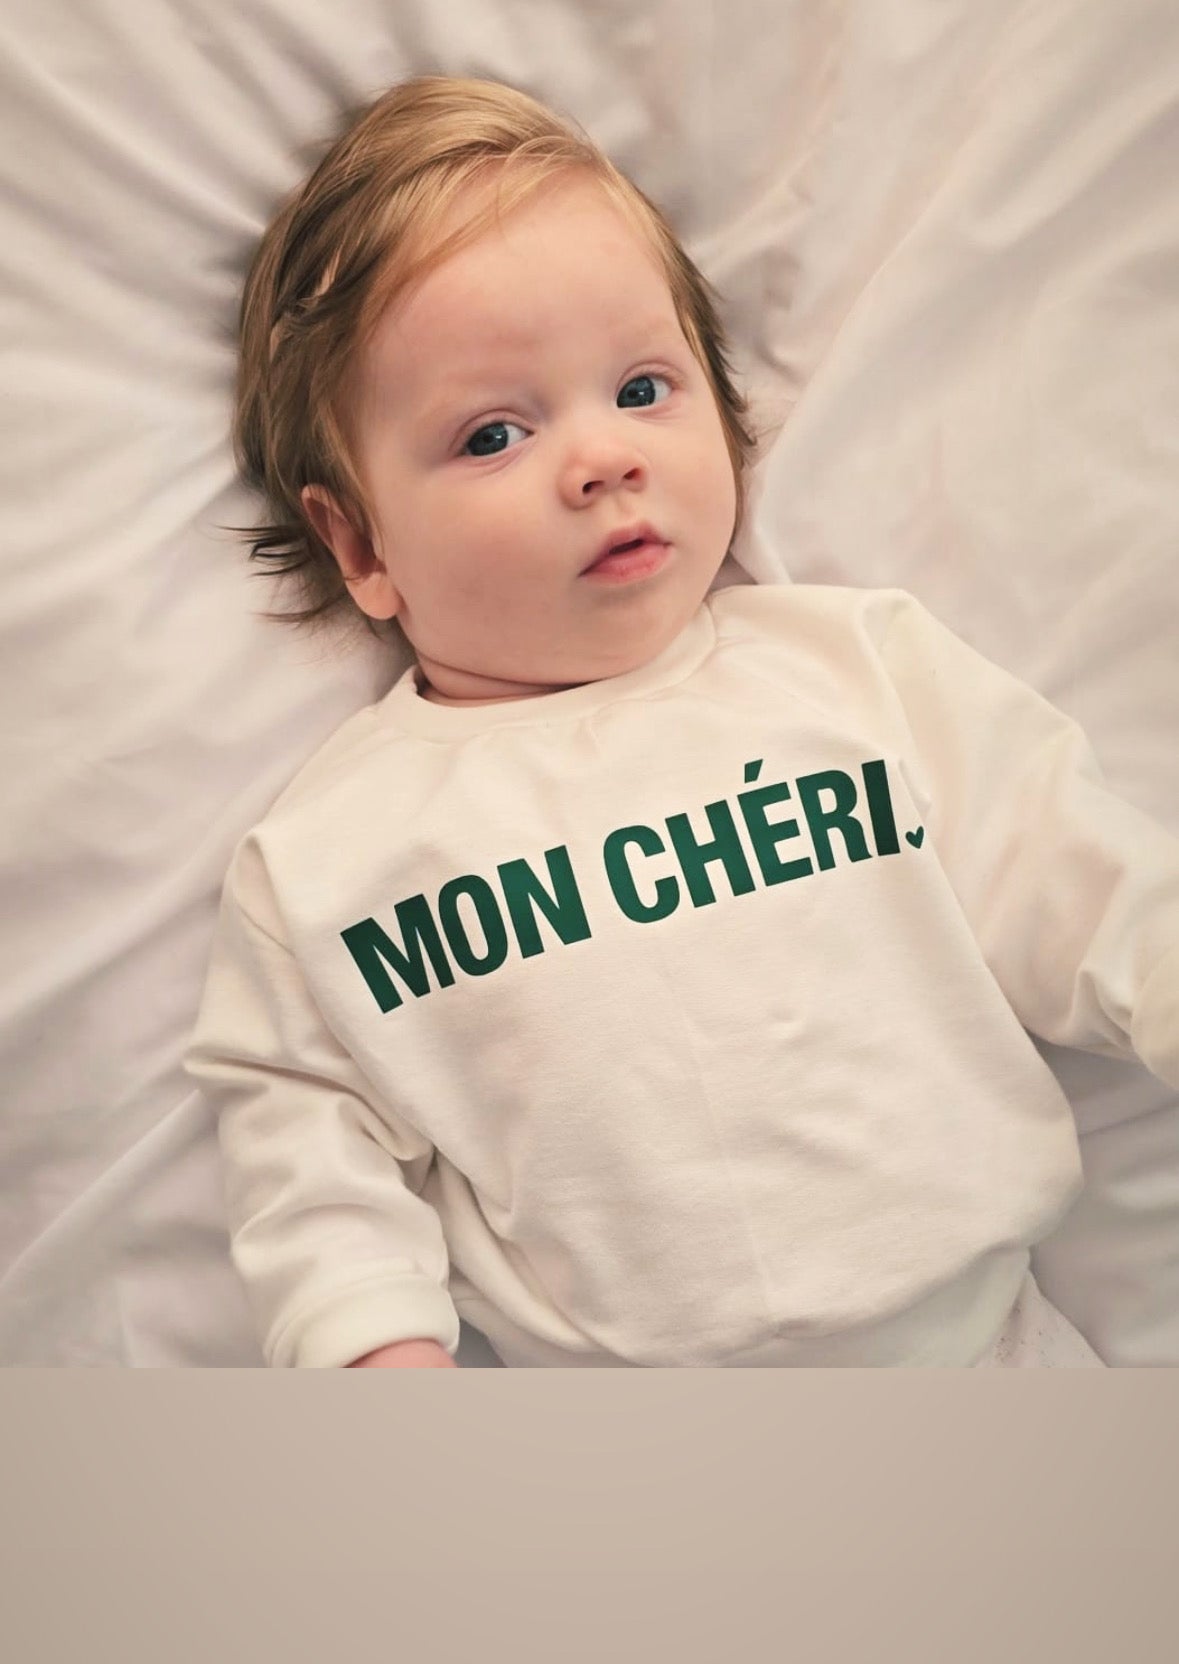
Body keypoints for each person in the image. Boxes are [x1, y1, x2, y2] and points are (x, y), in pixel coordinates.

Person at [186, 76, 1179, 1369]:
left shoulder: (857, 673)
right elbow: (304, 1154)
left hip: (988, 1351)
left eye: (644, 387)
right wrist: (370, 1343)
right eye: (493, 434)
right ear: (361, 545)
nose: (604, 458)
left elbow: (1085, 882)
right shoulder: (327, 860)